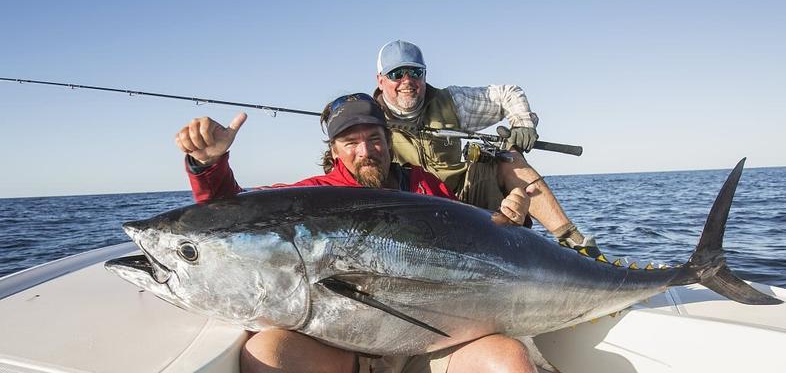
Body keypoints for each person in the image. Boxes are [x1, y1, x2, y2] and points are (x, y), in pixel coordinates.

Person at [174, 93, 537, 373]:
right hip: (345, 353)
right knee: (265, 354)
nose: (366, 152)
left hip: (431, 346)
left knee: (509, 360)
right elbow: (240, 221)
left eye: (375, 138)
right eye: (351, 143)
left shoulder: (423, 187)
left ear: (388, 139)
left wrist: (511, 218)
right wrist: (208, 165)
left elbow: (473, 239)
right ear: (333, 151)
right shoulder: (316, 197)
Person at [374, 40, 600, 257]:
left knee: (507, 158)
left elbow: (507, 94)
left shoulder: (452, 101)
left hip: (462, 199)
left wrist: (522, 123)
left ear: (424, 76)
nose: (407, 81)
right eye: (396, 74)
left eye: (415, 72)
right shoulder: (367, 116)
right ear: (380, 80)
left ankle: (577, 245)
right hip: (411, 210)